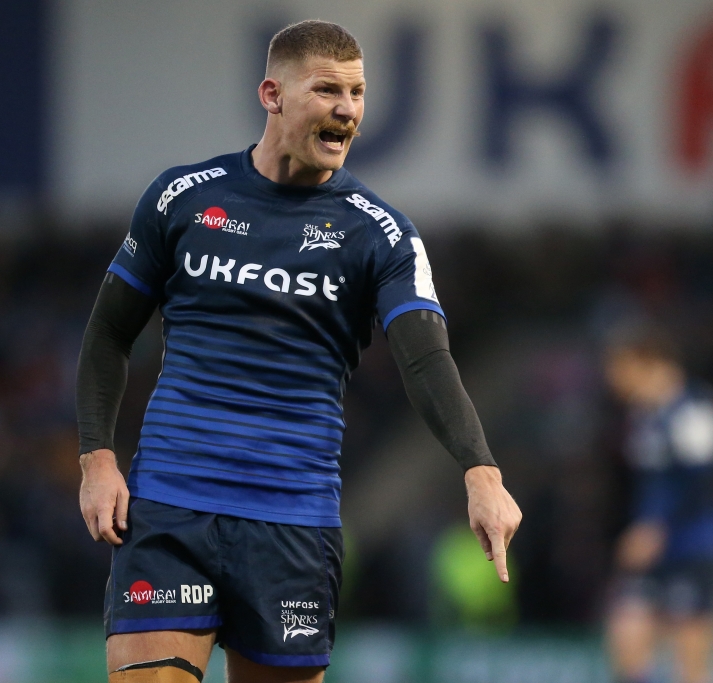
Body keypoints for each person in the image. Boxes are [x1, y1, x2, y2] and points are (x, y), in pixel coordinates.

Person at [75, 20, 522, 683]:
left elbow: (425, 359)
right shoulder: (183, 198)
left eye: (358, 93)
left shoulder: (382, 235)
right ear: (273, 94)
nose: (348, 109)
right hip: (171, 505)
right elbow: (108, 333)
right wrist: (97, 457)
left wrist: (481, 471)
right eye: (328, 90)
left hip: (292, 521)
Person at [603, 325, 713, 683]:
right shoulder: (642, 415)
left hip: (694, 544)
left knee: (691, 662)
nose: (613, 378)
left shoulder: (693, 407)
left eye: (619, 366)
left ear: (647, 362)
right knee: (626, 632)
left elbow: (707, 479)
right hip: (650, 548)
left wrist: (656, 526)